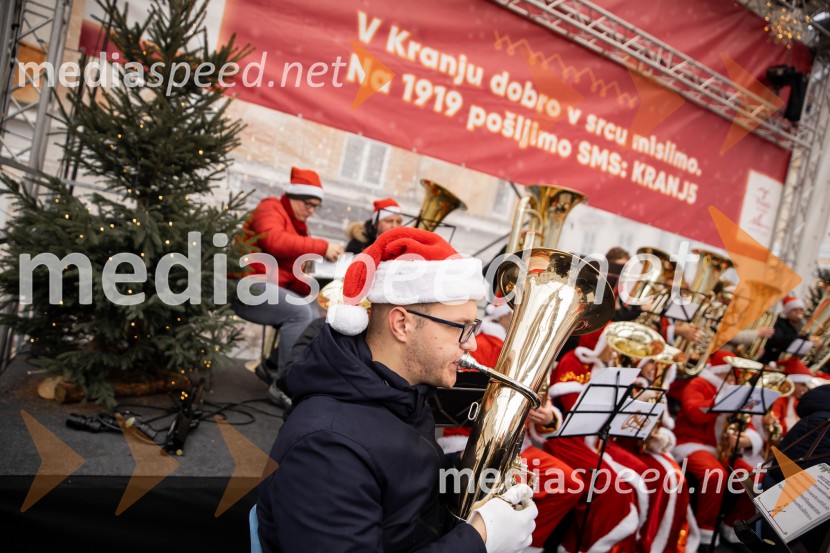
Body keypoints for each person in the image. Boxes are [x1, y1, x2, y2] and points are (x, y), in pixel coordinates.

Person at [256, 227, 538, 553]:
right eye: (461, 327)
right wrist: (479, 540)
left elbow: (399, 483)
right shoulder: (326, 446)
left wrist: (464, 466)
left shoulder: (401, 393)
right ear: (402, 324)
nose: (472, 344)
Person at [437, 300, 584, 553]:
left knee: (570, 483)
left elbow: (544, 403)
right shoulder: (482, 344)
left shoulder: (536, 352)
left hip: (517, 442)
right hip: (472, 440)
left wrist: (547, 418)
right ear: (505, 313)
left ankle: (526, 545)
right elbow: (454, 398)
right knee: (486, 492)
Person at [232, 166, 343, 409]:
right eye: (308, 204)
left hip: (267, 284)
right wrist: (321, 247)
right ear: (293, 196)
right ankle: (283, 386)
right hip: (244, 281)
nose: (311, 211)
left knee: (312, 313)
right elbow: (274, 241)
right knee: (300, 312)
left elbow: (290, 275)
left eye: (315, 206)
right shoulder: (270, 208)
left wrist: (319, 286)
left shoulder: (298, 227)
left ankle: (276, 367)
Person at [672, 350, 763, 551]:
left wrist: (746, 439)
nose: (734, 377)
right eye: (731, 373)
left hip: (721, 448)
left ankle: (733, 526)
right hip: (693, 444)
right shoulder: (699, 384)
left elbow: (748, 424)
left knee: (756, 479)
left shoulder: (733, 391)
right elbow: (695, 413)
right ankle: (704, 529)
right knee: (715, 475)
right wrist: (724, 401)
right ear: (720, 371)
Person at [760, 295, 818, 365]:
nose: (798, 312)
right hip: (766, 360)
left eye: (801, 310)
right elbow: (780, 340)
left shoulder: (798, 325)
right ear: (787, 312)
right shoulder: (778, 322)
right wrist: (805, 337)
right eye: (795, 310)